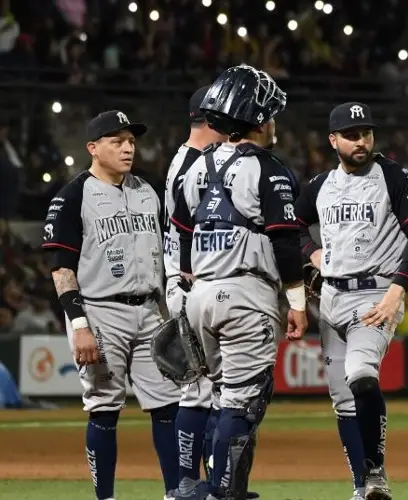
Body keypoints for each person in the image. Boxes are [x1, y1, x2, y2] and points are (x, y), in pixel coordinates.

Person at [170, 65, 307, 500]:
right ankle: (222, 492)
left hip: (200, 293)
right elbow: (286, 244)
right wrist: (298, 302)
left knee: (207, 395)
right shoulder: (269, 169)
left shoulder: (195, 168)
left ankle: (197, 486)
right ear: (262, 119)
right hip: (246, 293)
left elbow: (182, 230)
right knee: (243, 401)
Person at [295, 102, 408, 500]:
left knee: (362, 376)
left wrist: (397, 289)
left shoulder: (392, 175)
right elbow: (293, 225)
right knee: (343, 401)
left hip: (376, 294)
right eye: (352, 135)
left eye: (367, 133)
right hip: (332, 296)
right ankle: (362, 487)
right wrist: (311, 252)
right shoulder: (320, 185)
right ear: (333, 140)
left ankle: (375, 473)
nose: (362, 141)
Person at [40, 110, 181, 500]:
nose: (127, 148)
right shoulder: (72, 196)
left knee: (167, 403)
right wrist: (79, 324)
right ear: (93, 148)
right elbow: (61, 268)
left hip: (151, 312)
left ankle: (176, 492)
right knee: (104, 407)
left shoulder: (146, 192)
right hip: (101, 312)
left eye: (131, 141)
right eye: (117, 141)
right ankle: (106, 497)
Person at [163, 86, 261, 500]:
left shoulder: (188, 161)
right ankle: (189, 484)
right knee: (200, 390)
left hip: (192, 282)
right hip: (192, 281)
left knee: (210, 391)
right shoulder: (194, 164)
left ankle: (206, 484)